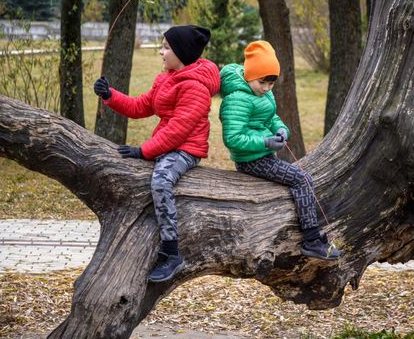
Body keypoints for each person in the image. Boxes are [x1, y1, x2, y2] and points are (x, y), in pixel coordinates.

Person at [93, 25, 220, 282]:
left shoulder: (194, 86)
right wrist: (110, 95)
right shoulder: (167, 78)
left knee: (161, 181)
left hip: (185, 149)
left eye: (166, 48)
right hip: (167, 145)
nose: (161, 52)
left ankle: (172, 253)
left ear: (181, 53)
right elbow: (141, 105)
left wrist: (144, 151)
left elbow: (178, 130)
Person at [219, 40, 342, 260]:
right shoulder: (237, 99)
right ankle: (312, 240)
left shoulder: (261, 94)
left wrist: (281, 130)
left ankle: (313, 237)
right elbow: (233, 138)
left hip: (263, 153)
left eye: (271, 84)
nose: (266, 88)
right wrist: (265, 141)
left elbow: (271, 117)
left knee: (302, 178)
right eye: (262, 82)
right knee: (302, 179)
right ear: (249, 75)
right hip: (251, 160)